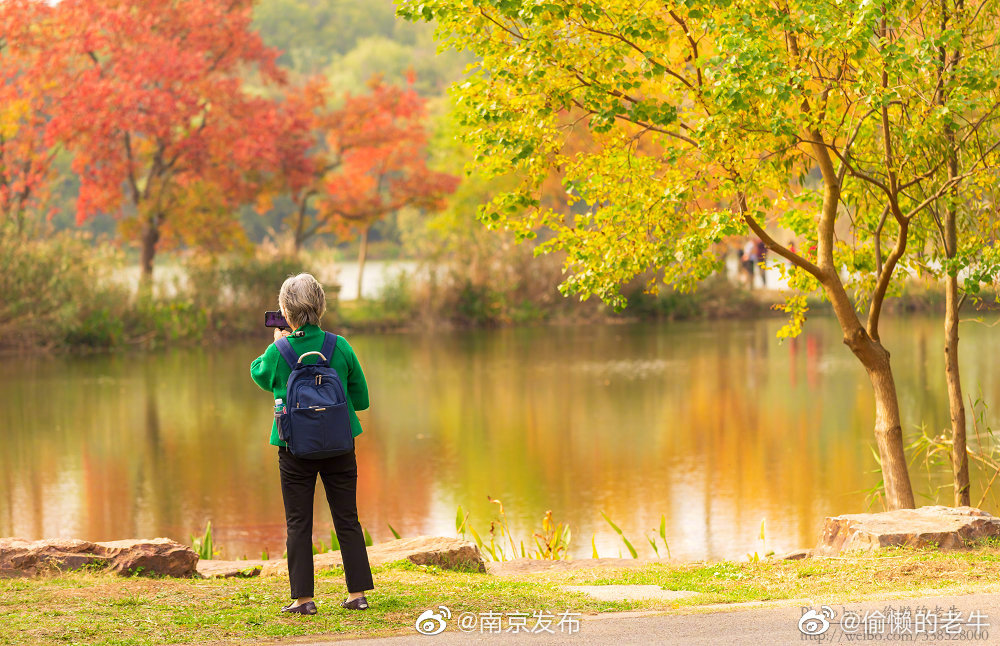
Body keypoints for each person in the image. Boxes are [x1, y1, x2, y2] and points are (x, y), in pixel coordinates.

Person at [250, 273, 374, 615]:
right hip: (340, 444)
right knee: (347, 518)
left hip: (294, 448)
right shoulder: (340, 345)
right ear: (320, 306)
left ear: (286, 313)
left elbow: (258, 373)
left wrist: (277, 341)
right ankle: (358, 594)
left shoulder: (279, 351)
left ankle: (303, 600)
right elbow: (361, 400)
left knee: (298, 522)